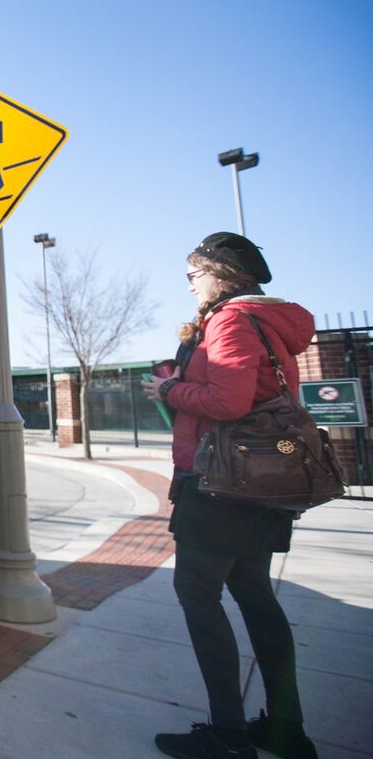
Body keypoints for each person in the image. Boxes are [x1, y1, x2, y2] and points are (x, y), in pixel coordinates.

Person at [142, 232, 317, 759]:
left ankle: (228, 735)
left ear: (221, 275)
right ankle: (286, 729)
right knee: (256, 598)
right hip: (259, 486)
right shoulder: (265, 322)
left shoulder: (232, 320)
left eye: (195, 272)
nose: (189, 282)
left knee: (198, 596)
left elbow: (231, 398)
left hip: (221, 486)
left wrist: (169, 390)